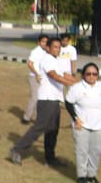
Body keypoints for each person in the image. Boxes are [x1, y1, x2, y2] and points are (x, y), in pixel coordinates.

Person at [9, 36, 76, 167]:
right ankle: (17, 149)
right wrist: (71, 84)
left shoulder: (57, 61)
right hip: (47, 99)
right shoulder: (47, 59)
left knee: (53, 130)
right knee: (40, 127)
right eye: (55, 47)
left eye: (59, 47)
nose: (58, 49)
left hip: (55, 99)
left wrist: (81, 83)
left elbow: (65, 75)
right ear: (48, 48)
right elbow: (54, 76)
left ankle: (50, 158)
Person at [66, 62, 101, 183]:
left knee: (96, 150)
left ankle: (92, 175)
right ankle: (81, 176)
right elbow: (68, 103)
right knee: (82, 150)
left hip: (99, 124)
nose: (91, 76)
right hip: (82, 124)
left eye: (94, 74)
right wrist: (76, 118)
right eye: (88, 74)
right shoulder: (77, 88)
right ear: (83, 75)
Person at [24, 34, 50, 124]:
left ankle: (37, 118)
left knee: (40, 98)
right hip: (34, 76)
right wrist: (36, 74)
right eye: (43, 41)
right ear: (39, 42)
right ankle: (26, 117)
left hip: (42, 78)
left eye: (46, 41)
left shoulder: (47, 52)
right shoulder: (35, 51)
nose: (45, 43)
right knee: (34, 97)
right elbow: (30, 64)